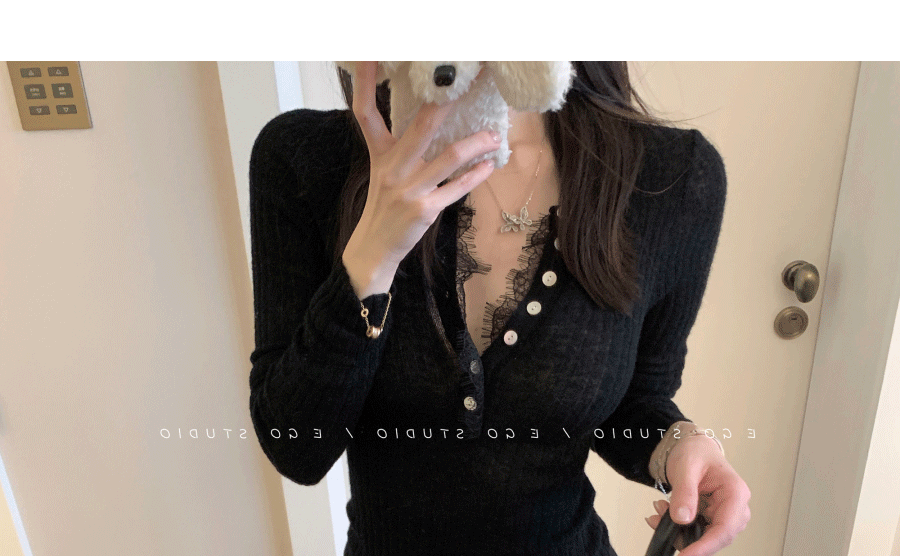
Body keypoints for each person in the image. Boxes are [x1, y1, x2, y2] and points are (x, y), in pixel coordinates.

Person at [247, 61, 751, 556]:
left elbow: (635, 401)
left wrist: (681, 447)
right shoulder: (304, 159)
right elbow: (296, 447)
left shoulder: (671, 179)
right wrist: (371, 258)